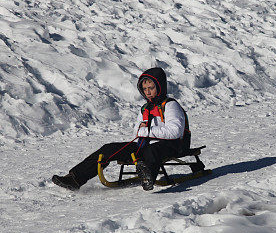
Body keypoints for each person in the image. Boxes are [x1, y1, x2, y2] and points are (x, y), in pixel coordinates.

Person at [52, 67, 191, 191]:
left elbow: (175, 131)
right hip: (146, 144)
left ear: (160, 86)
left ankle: (148, 178)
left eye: (151, 88)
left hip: (173, 145)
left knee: (151, 151)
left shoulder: (170, 105)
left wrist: (147, 131)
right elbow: (137, 131)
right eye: (145, 89)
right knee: (108, 149)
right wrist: (143, 131)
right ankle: (75, 178)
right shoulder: (145, 108)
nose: (148, 92)